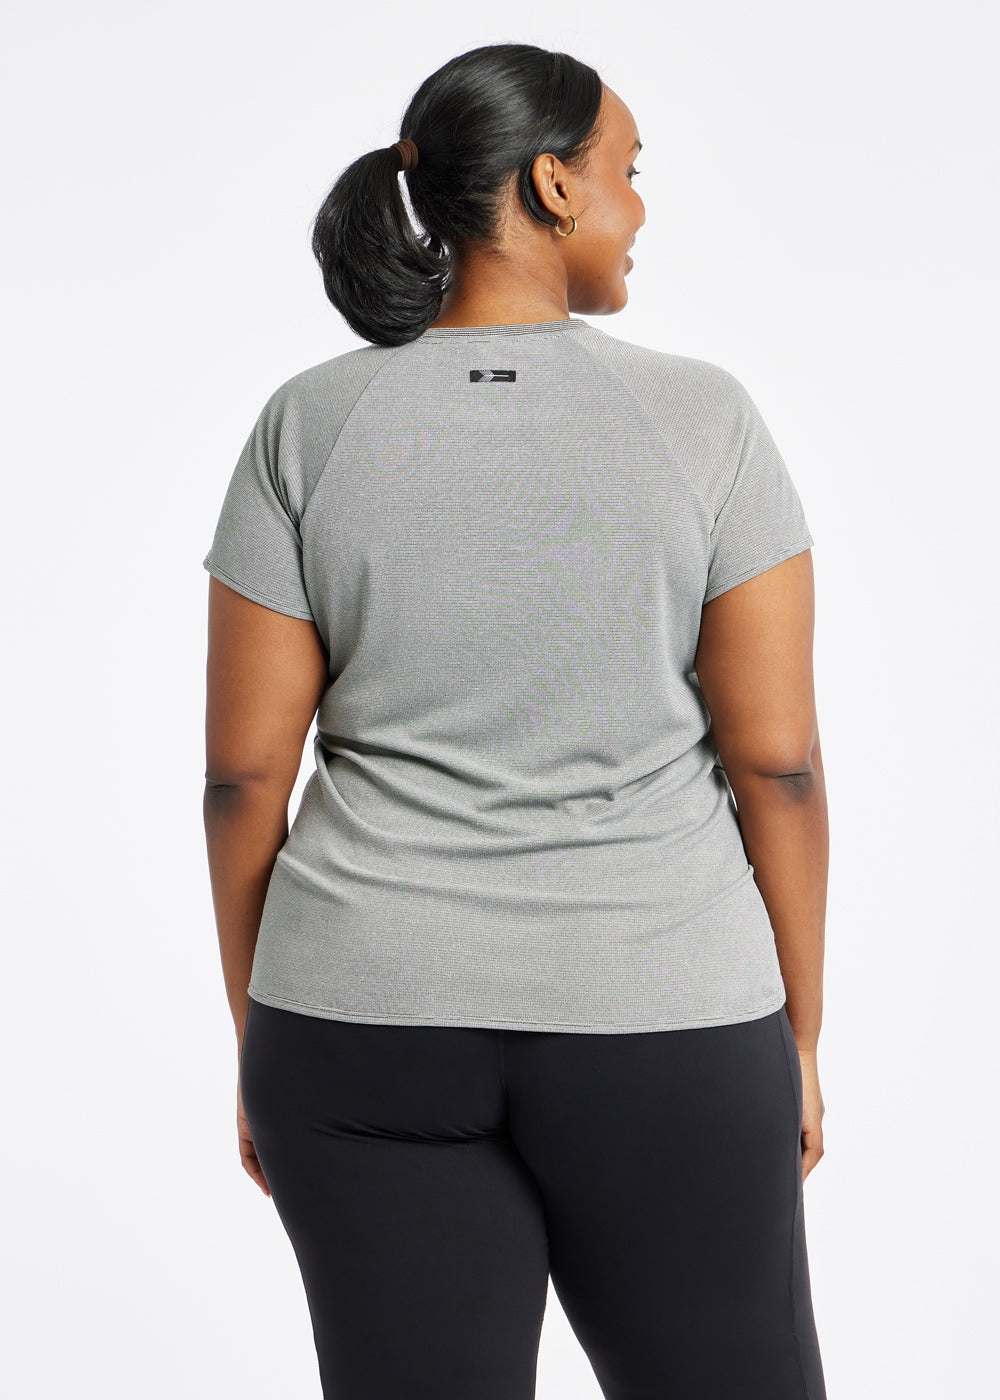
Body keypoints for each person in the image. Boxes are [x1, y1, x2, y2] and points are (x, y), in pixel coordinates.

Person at [202, 40, 829, 1400]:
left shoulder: (307, 423)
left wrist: (267, 1033)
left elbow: (244, 778)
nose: (640, 206)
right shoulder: (703, 419)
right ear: (552, 185)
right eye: (628, 172)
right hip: (662, 1012)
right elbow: (777, 763)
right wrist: (797, 1037)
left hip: (357, 1019)